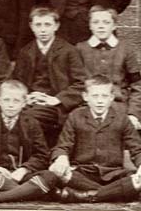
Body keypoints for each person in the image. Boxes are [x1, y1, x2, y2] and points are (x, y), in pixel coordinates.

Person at [49, 75, 141, 203]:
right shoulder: (76, 116)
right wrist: (61, 158)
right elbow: (63, 145)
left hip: (113, 173)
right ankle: (112, 193)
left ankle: (86, 196)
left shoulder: (122, 118)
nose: (100, 101)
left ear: (111, 98)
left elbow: (137, 149)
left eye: (104, 96)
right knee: (59, 173)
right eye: (95, 96)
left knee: (138, 180)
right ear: (85, 97)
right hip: (84, 173)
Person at [0, 80, 59, 204]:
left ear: (24, 103)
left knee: (50, 176)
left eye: (16, 101)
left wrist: (23, 170)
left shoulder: (32, 123)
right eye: (6, 100)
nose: (11, 105)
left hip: (22, 175)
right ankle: (28, 192)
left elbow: (42, 155)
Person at [12, 6, 86, 147]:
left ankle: (37, 157)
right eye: (38, 25)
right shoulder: (26, 51)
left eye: (47, 24)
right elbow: (17, 81)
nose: (43, 30)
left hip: (55, 106)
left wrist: (56, 99)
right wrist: (25, 97)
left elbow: (81, 84)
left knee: (27, 118)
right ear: (31, 27)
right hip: (30, 102)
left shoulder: (68, 50)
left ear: (56, 26)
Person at [76, 6, 141, 129]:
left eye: (106, 22)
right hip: (88, 106)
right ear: (90, 25)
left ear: (114, 25)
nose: (101, 26)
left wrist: (133, 114)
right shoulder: (80, 49)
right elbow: (75, 83)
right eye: (96, 22)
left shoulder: (126, 50)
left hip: (119, 105)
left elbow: (137, 85)